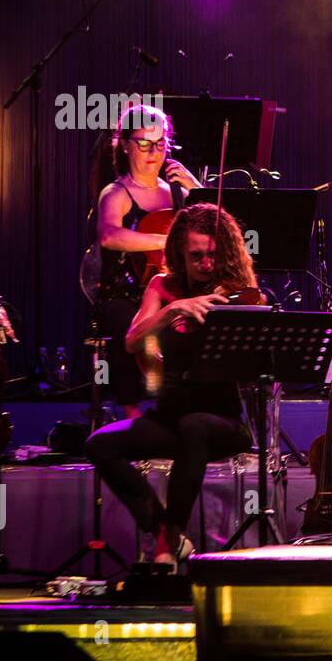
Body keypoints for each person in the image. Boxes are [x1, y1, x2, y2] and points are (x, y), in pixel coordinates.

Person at [84, 203, 255, 565]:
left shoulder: (235, 289)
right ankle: (165, 530)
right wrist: (172, 309)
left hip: (222, 421)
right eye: (196, 256)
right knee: (100, 444)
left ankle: (167, 540)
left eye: (213, 255)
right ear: (179, 252)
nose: (206, 264)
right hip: (171, 417)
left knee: (195, 426)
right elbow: (132, 340)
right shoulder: (162, 286)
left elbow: (256, 336)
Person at [92, 104, 202, 418]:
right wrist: (165, 241)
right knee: (124, 318)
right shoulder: (117, 193)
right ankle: (132, 414)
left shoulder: (176, 192)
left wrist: (196, 190)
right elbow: (109, 235)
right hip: (126, 291)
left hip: (169, 288)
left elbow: (211, 229)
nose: (154, 152)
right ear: (125, 145)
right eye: (144, 143)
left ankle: (193, 410)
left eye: (160, 143)